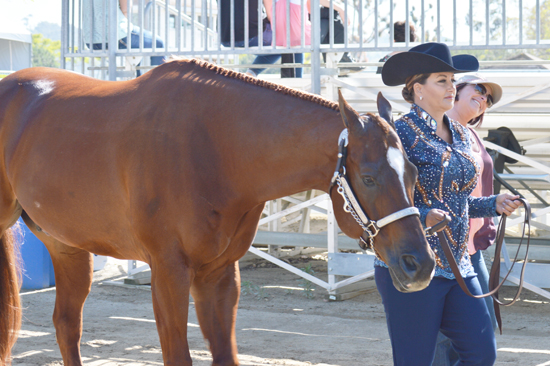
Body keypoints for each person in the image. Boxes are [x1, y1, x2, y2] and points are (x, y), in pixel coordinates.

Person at [377, 42, 522, 366]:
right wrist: (424, 215)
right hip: (414, 265)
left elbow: (458, 202)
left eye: (452, 80)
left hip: (459, 265)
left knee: (481, 354)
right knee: (415, 361)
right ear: (417, 89)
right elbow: (380, 202)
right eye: (441, 80)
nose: (451, 87)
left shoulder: (460, 132)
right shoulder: (398, 134)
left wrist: (492, 204)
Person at [432, 74, 503, 365]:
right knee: (446, 337)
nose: (484, 98)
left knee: (479, 330)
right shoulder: (434, 131)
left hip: (470, 247)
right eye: (479, 89)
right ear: (456, 91)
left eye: (488, 97)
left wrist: (496, 204)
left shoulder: (468, 135)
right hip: (442, 246)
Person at [82, 0, 165, 76]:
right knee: (157, 43)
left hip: (91, 41)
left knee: (136, 49)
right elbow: (126, 9)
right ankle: (159, 85)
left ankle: (138, 81)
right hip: (116, 36)